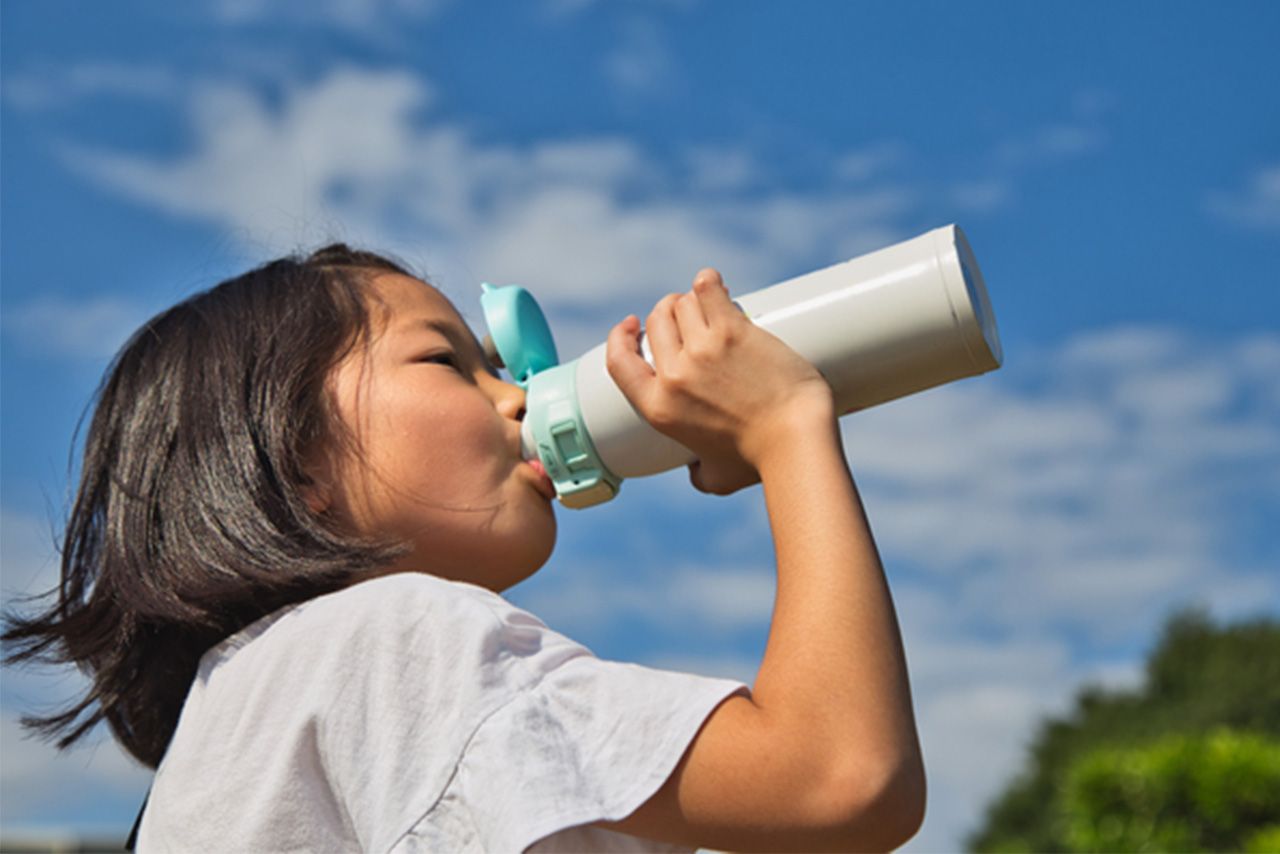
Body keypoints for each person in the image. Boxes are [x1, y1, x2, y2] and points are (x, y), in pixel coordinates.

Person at [3, 244, 925, 852]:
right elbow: (841, 779)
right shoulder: (385, 634)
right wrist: (788, 430)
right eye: (449, 363)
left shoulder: (246, 712)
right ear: (292, 457)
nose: (518, 397)